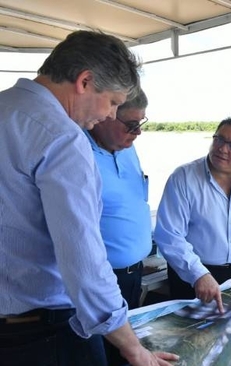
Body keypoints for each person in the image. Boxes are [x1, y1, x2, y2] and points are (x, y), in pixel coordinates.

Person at [0, 31, 178, 366]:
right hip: (46, 334)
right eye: (112, 101)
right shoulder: (63, 139)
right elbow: (83, 259)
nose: (111, 115)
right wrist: (134, 348)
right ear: (84, 81)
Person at [154, 116, 231, 314]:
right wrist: (198, 274)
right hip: (192, 276)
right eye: (219, 139)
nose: (222, 148)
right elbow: (169, 235)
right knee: (189, 338)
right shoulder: (183, 178)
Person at [87, 88, 152, 366]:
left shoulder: (127, 147)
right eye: (131, 125)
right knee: (104, 356)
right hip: (101, 282)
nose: (137, 133)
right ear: (106, 114)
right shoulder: (78, 154)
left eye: (141, 124)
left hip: (134, 274)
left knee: (124, 358)